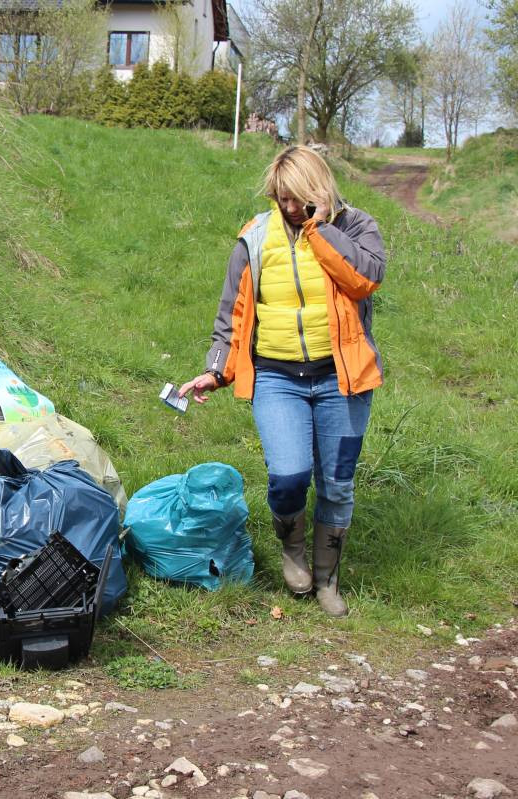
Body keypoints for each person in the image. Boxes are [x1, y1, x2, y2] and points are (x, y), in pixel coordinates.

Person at [178, 146, 385, 617]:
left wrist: (320, 228)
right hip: (277, 378)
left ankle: (328, 580)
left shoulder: (355, 226)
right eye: (281, 198)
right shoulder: (254, 238)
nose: (290, 207)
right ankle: (293, 551)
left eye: (298, 198)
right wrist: (216, 370)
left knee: (337, 484)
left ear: (318, 189)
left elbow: (365, 279)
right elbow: (231, 315)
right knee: (288, 476)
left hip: (342, 378)